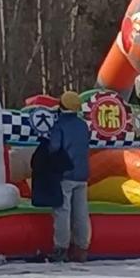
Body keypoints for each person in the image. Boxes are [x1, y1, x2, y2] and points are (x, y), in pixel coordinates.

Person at [47, 90, 92, 262]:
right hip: (82, 173)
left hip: (65, 173)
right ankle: (81, 248)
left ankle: (61, 248)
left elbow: (54, 148)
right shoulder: (82, 125)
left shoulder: (60, 125)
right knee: (81, 213)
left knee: (62, 212)